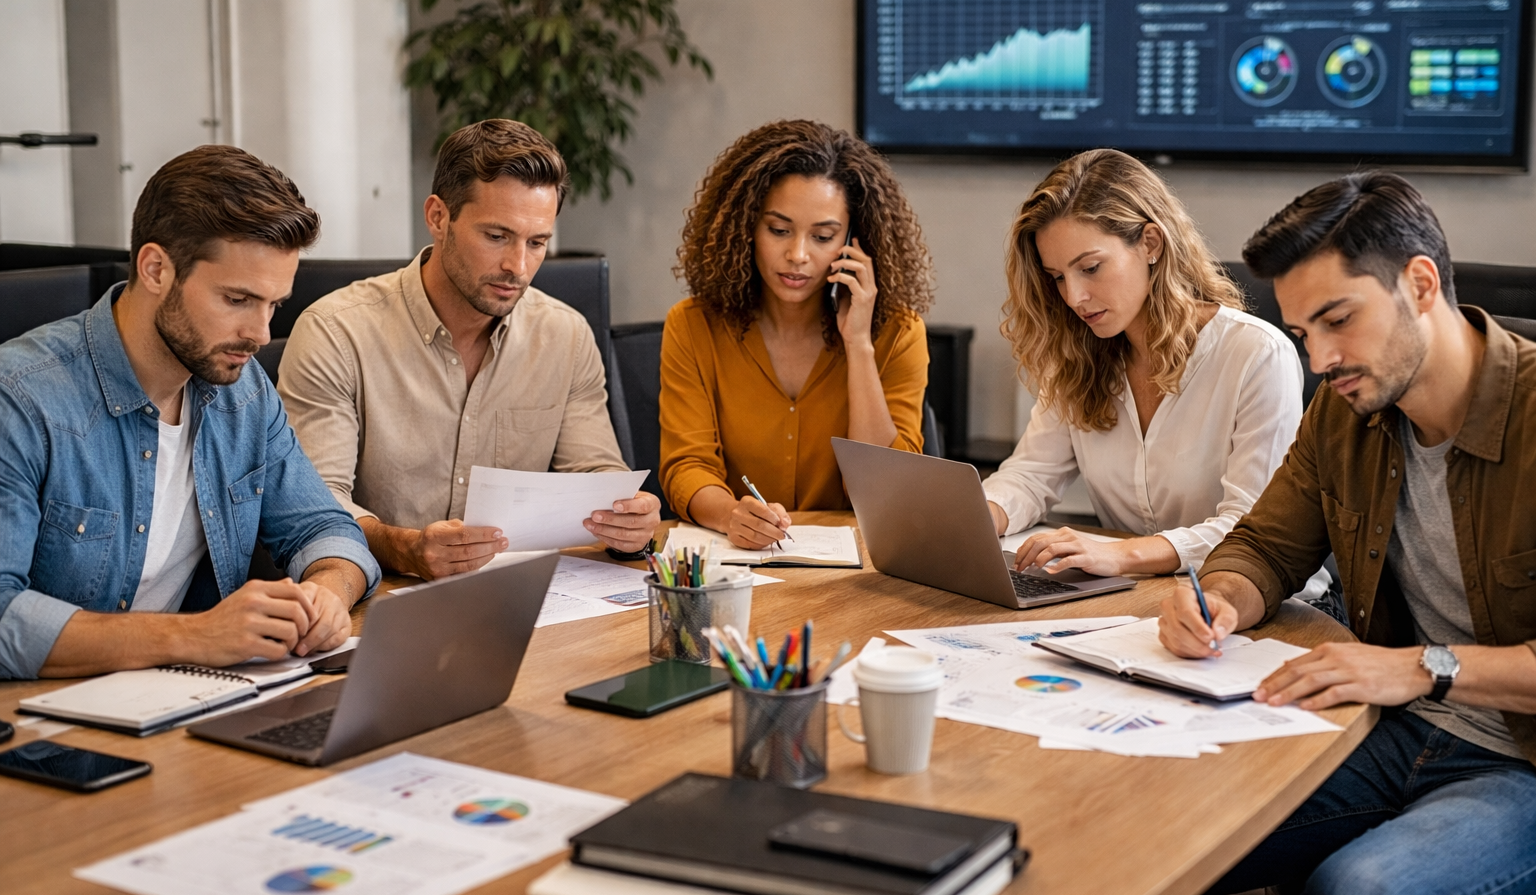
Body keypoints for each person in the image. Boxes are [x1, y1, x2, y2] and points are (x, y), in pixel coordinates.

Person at [1128, 172, 1536, 895]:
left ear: (1421, 285)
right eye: (1301, 331)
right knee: (1134, 852)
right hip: (1387, 733)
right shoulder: (1343, 413)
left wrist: (1426, 665)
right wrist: (1222, 599)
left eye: (1338, 321)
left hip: (1520, 762)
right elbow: (1264, 546)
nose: (1319, 359)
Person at [0, 146, 380, 680]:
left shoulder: (242, 391)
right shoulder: (19, 400)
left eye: (274, 304)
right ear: (156, 268)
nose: (261, 334)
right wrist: (198, 635)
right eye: (237, 300)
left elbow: (324, 529)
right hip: (45, 723)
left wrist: (326, 594)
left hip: (187, 701)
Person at [278, 120, 660, 581]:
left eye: (537, 243)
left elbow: (595, 472)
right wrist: (404, 548)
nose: (517, 266)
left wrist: (629, 518)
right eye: (496, 236)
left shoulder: (566, 335)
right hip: (378, 596)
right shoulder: (336, 332)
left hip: (519, 597)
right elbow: (318, 507)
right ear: (439, 217)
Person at [982, 149, 1331, 606]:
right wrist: (976, 520)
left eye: (1090, 268)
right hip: (1137, 598)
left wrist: (1123, 555)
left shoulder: (1255, 354)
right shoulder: (1079, 353)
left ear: (1150, 243)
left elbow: (1252, 529)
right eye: (1057, 277)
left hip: (1271, 609)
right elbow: (1031, 476)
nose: (1075, 296)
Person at [659, 120, 933, 548]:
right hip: (736, 561)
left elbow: (888, 492)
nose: (798, 255)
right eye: (779, 230)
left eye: (823, 236)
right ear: (746, 226)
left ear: (855, 241)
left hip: (854, 571)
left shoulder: (898, 333)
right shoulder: (694, 325)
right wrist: (732, 515)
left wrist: (858, 345)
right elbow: (687, 466)